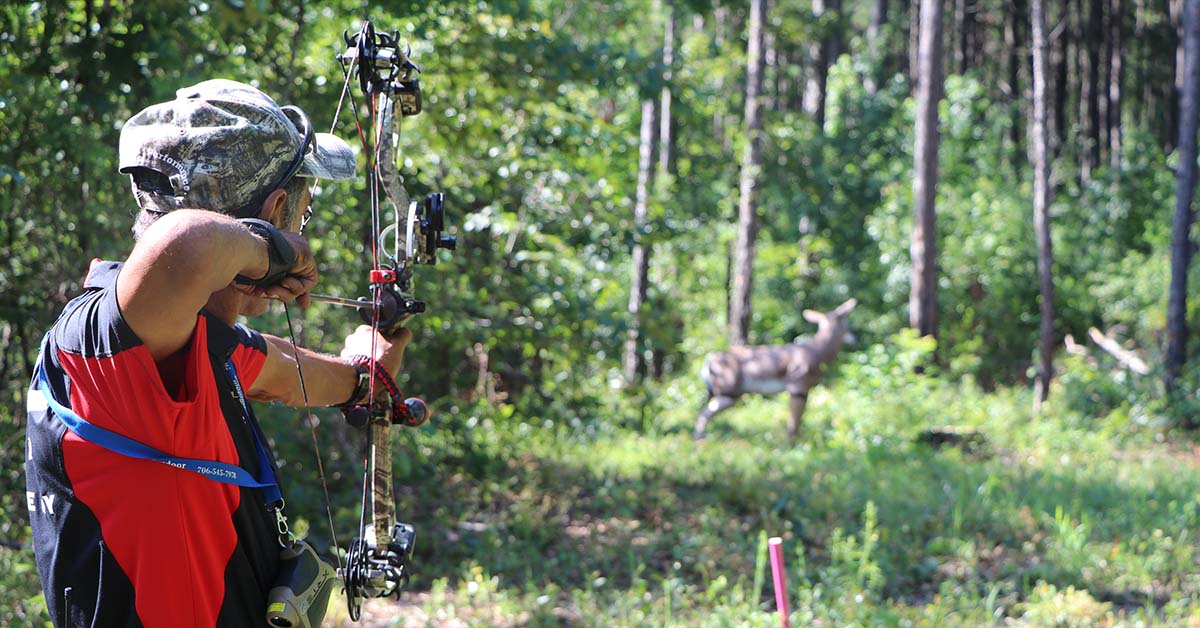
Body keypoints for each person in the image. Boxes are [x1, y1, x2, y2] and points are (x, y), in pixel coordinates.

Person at [25, 79, 410, 627]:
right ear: (276, 208)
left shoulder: (195, 346)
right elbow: (186, 247)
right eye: (300, 207)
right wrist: (274, 250)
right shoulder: (102, 344)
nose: (304, 226)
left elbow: (301, 375)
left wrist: (369, 370)